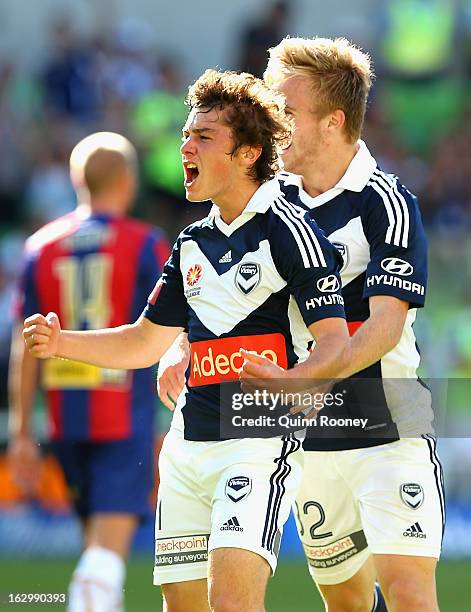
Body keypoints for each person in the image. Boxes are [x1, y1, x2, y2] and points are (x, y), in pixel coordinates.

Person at [22, 69, 351, 612]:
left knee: (232, 603)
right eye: (186, 134)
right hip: (185, 449)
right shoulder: (192, 240)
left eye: (204, 137)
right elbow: (143, 342)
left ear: (247, 153)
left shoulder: (289, 231)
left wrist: (292, 384)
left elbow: (335, 345)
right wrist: (62, 344)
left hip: (257, 441)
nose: (185, 145)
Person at [158, 39, 444, 612]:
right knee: (346, 602)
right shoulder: (266, 202)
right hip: (305, 439)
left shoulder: (385, 203)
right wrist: (180, 346)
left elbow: (385, 327)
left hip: (384, 423)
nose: (270, 122)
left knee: (410, 594)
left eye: (284, 110)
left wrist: (308, 377)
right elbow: (221, 284)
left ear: (333, 121)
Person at [9, 131, 171, 612]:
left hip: (65, 418)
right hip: (123, 413)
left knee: (97, 551)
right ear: (127, 179)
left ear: (77, 179)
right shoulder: (145, 244)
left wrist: (21, 432)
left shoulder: (41, 247)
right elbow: (176, 324)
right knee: (106, 555)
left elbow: (26, 345)